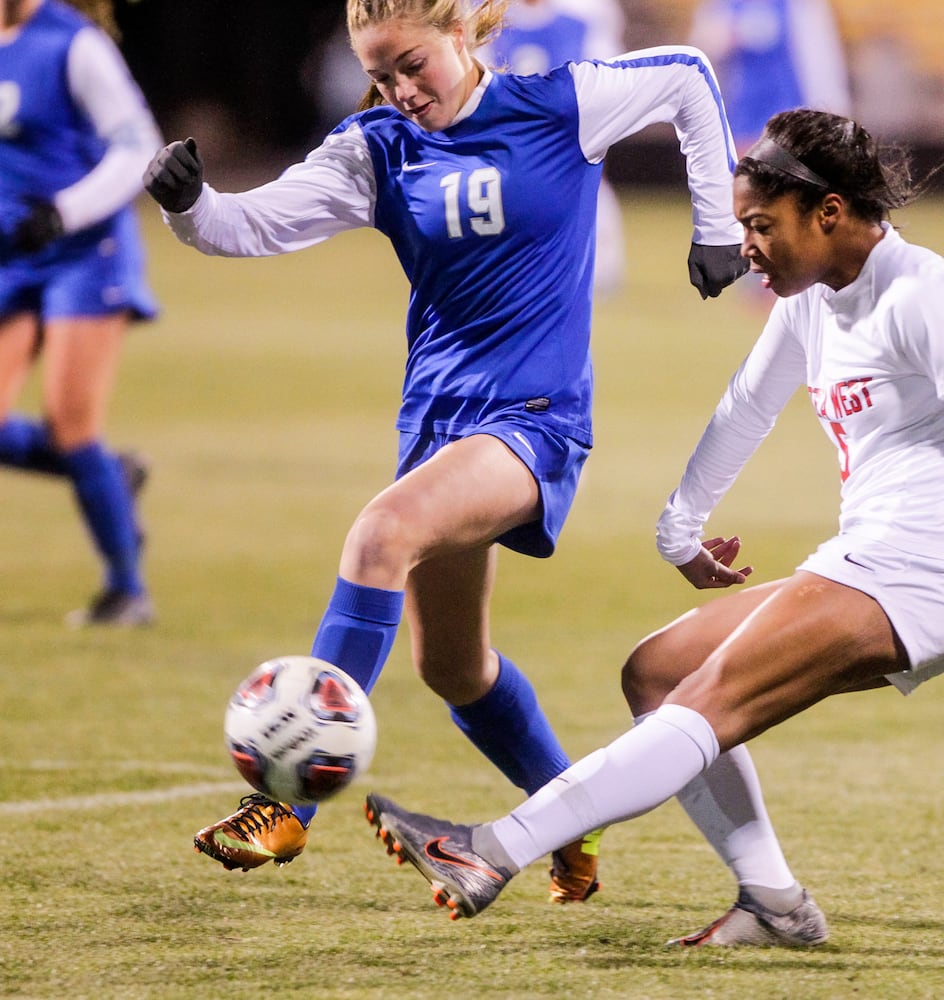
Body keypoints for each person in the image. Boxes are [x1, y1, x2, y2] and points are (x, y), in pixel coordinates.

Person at [360, 109, 944, 947]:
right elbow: (747, 406)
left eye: (759, 224)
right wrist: (681, 528)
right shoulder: (814, 299)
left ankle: (493, 849)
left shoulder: (927, 296)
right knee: (659, 673)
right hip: (868, 560)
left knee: (708, 700)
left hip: (927, 573)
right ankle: (774, 902)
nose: (745, 244)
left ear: (827, 212)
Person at [143, 0, 747, 902]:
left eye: (411, 64)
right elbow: (251, 225)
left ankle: (283, 815)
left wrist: (717, 227)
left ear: (463, 36)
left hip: (534, 421)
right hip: (436, 426)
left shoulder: (559, 105)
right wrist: (190, 205)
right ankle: (567, 824)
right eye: (378, 74)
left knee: (380, 537)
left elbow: (690, 79)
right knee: (452, 668)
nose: (399, 89)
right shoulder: (375, 147)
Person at [0, 0, 160, 626]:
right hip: (15, 257)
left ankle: (127, 591)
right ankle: (110, 477)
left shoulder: (75, 44)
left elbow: (138, 146)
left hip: (85, 251)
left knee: (71, 424)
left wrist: (63, 211)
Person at [480, 0, 626, 292]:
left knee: (588, 189)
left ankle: (597, 263)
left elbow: (611, 76)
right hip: (513, 138)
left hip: (570, 132)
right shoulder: (490, 21)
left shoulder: (581, 20)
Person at [688, 0, 852, 154]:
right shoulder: (726, 4)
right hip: (743, 114)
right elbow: (702, 46)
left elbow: (821, 56)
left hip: (791, 112)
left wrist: (834, 104)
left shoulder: (801, 5)